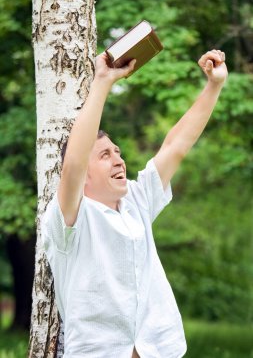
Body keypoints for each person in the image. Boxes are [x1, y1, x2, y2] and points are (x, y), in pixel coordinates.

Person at [42, 49, 228, 358]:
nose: (118, 160)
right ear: (84, 177)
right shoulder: (70, 220)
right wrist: (103, 81)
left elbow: (176, 146)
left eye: (117, 152)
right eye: (105, 155)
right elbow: (73, 163)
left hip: (160, 349)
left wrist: (214, 85)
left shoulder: (136, 200)